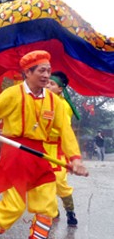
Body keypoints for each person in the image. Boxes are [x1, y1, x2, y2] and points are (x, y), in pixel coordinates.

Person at [0, 50, 88, 239]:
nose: (46, 75)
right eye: (41, 71)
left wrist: (75, 159)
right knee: (13, 208)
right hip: (15, 154)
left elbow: (66, 131)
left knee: (47, 206)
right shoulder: (13, 94)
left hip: (39, 155)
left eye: (48, 71)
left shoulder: (54, 102)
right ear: (28, 73)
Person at [45, 71, 80, 226]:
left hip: (57, 149)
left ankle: (70, 211)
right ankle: (52, 211)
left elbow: (63, 129)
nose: (47, 86)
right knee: (46, 182)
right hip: (43, 149)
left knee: (60, 183)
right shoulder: (41, 101)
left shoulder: (64, 106)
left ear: (60, 89)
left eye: (52, 84)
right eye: (47, 83)